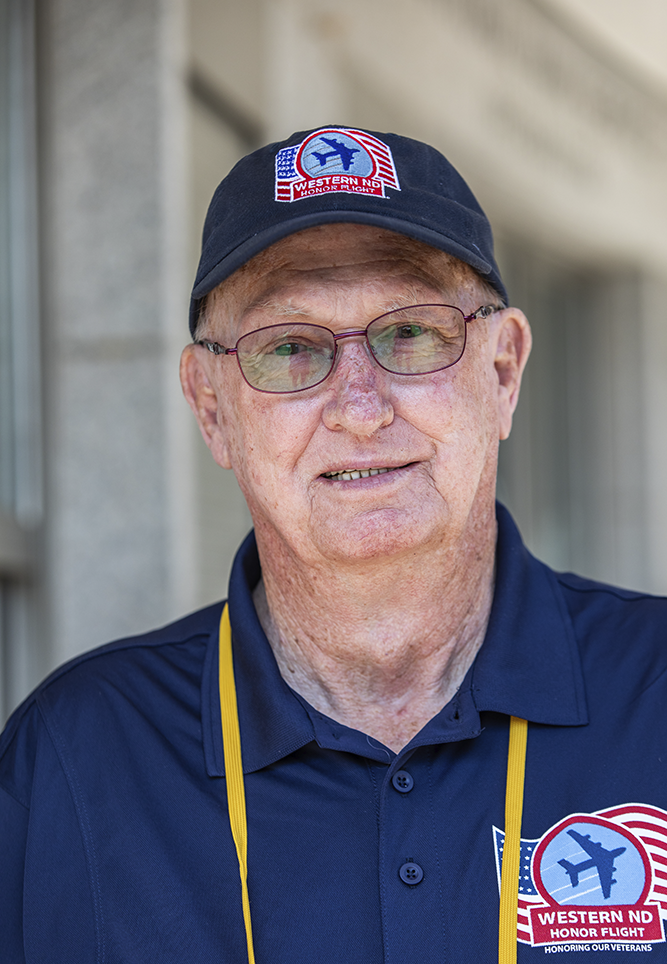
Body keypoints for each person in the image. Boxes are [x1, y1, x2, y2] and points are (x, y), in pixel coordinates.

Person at [2, 126, 667, 964]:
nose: (359, 407)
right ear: (211, 409)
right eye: (288, 348)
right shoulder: (78, 759)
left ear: (502, 371)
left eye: (411, 334)